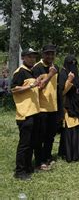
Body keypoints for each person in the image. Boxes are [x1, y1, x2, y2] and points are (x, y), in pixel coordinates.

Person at [11, 48, 41, 180]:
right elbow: (13, 89)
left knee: (32, 143)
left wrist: (36, 85)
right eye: (29, 57)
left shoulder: (31, 71)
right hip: (24, 114)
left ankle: (28, 167)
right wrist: (30, 86)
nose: (32, 59)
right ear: (23, 58)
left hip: (34, 112)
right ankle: (20, 172)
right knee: (24, 144)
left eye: (34, 57)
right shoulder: (20, 72)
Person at [32, 44, 60, 171]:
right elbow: (38, 87)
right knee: (40, 137)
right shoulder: (37, 68)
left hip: (53, 108)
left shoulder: (55, 67)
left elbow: (56, 89)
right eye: (47, 53)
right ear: (42, 54)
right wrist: (50, 75)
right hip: (41, 108)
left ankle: (47, 158)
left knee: (50, 135)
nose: (50, 56)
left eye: (52, 54)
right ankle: (39, 161)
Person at [58, 55, 79, 162]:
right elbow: (62, 92)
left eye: (74, 63)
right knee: (70, 130)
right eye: (70, 63)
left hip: (76, 106)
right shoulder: (63, 74)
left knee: (77, 129)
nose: (72, 65)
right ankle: (69, 154)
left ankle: (78, 153)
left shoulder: (76, 74)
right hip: (67, 106)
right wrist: (69, 80)